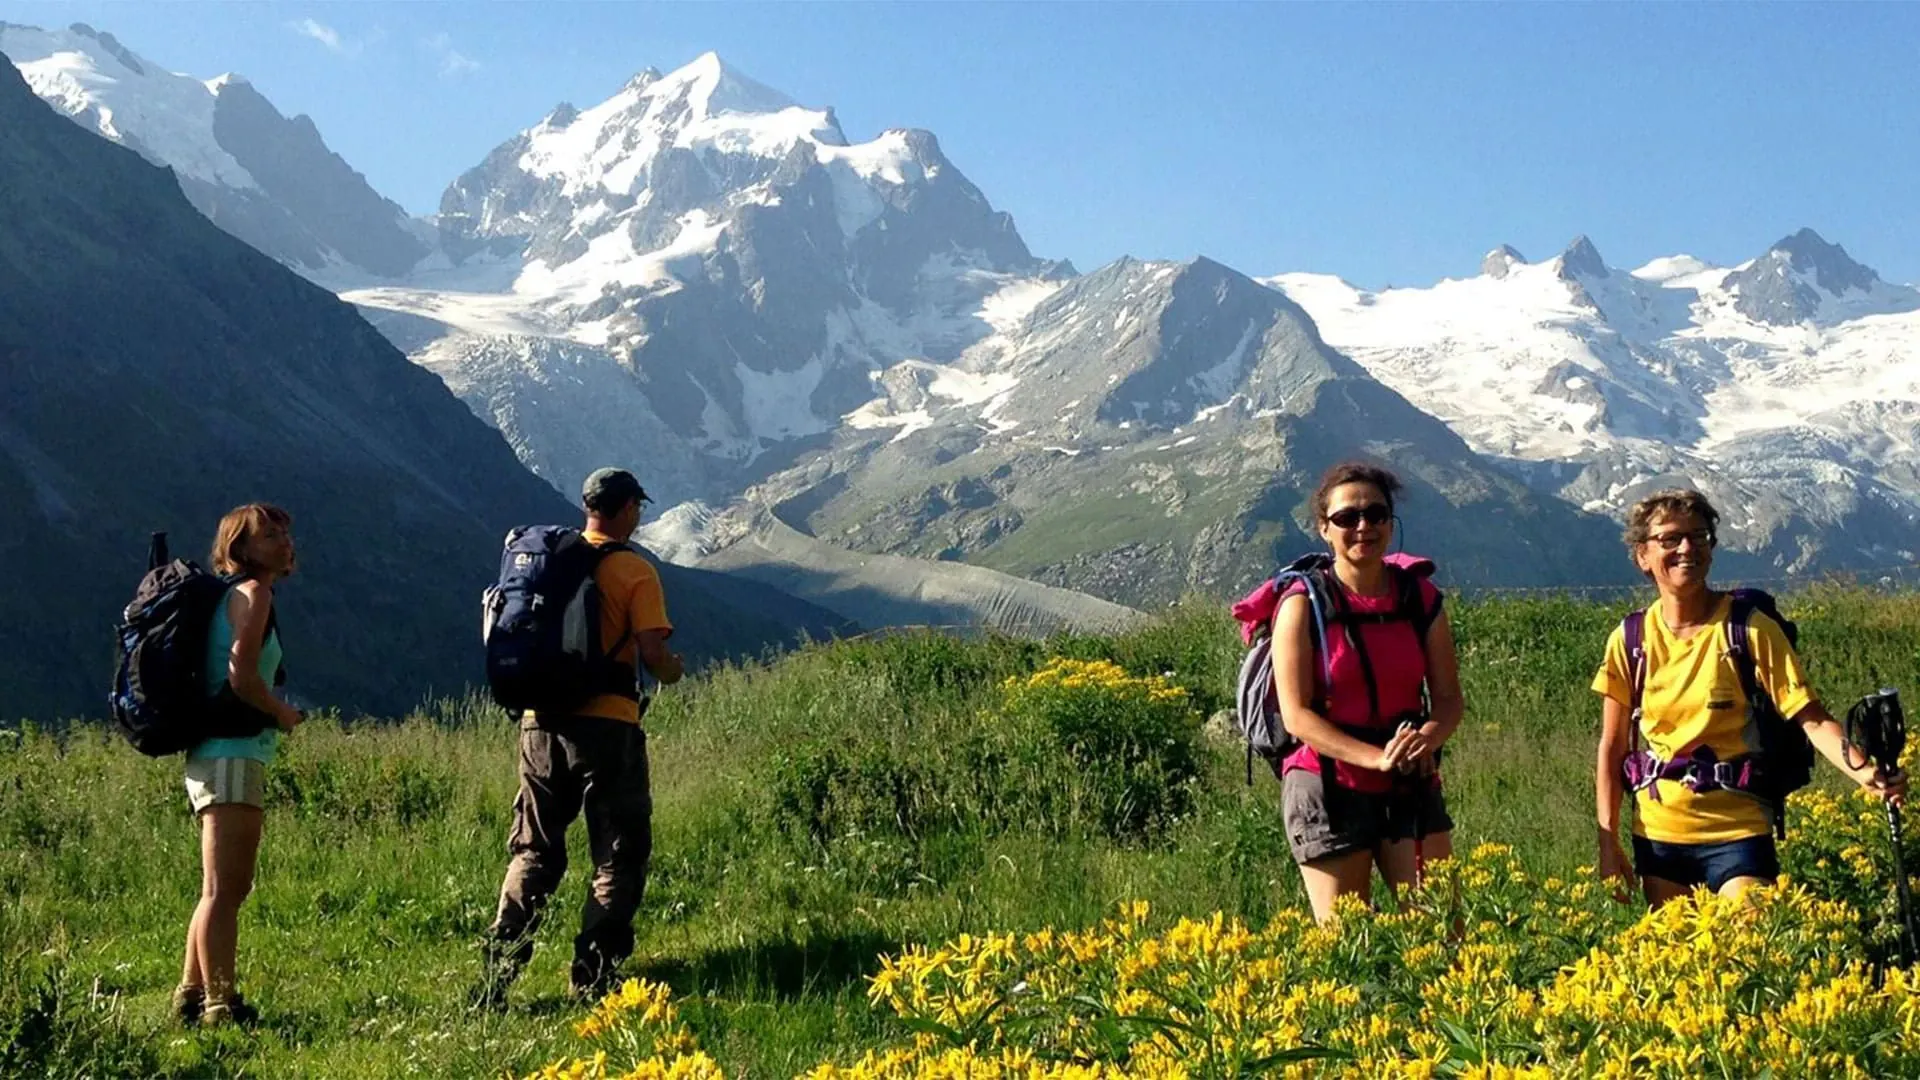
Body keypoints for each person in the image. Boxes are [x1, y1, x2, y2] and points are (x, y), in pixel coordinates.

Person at [1593, 488, 1905, 908]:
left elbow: (1810, 718)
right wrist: (1608, 844)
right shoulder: (1629, 640)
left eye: (1699, 537)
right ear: (1642, 556)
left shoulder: (1751, 630)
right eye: (1670, 539)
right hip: (1658, 836)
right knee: (1680, 966)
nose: (1687, 548)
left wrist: (1866, 772)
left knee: (1749, 953)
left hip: (1739, 831)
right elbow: (1612, 746)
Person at [476, 468, 684, 1007]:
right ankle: (593, 979)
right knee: (618, 851)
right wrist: (673, 671)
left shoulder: (545, 563)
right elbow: (655, 657)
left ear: (588, 506)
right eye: (637, 507)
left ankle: (497, 975)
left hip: (537, 723)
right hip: (607, 726)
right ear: (629, 509)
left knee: (535, 851)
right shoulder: (632, 570)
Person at [1272, 461, 1464, 923]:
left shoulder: (1420, 598)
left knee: (1444, 933)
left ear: (1390, 521)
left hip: (1409, 780)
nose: (1363, 526)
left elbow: (1449, 699)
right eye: (1346, 518)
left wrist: (1429, 738)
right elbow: (1296, 715)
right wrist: (1375, 758)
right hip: (1328, 786)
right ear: (1324, 528)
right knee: (1348, 946)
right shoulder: (1302, 603)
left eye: (1376, 515)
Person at [174, 504, 305, 1028]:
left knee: (215, 887)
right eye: (268, 535)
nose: (282, 541)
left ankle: (192, 992)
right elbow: (242, 678)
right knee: (227, 890)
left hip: (216, 751)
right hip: (234, 753)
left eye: (283, 533)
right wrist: (282, 712)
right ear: (241, 550)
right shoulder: (255, 595)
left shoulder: (234, 597)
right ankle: (220, 1007)